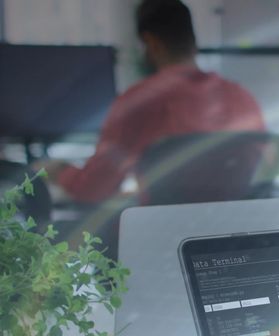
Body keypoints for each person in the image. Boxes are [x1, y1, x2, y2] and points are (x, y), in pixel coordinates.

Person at [34, 0, 265, 205]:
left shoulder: (140, 101)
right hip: (235, 237)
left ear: (151, 43)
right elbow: (264, 166)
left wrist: (57, 170)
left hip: (162, 238)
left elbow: (94, 189)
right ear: (192, 41)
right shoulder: (241, 96)